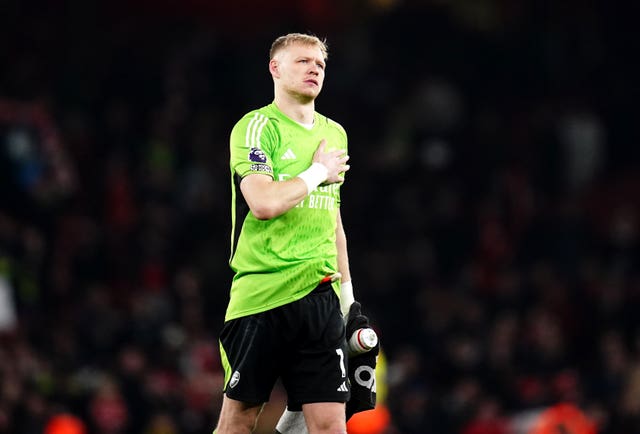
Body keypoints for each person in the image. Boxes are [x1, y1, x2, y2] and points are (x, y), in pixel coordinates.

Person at [214, 33, 355, 434]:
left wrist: (348, 299)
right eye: (303, 61)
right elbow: (263, 202)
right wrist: (316, 173)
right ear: (275, 69)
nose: (314, 69)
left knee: (330, 425)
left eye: (321, 64)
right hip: (263, 294)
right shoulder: (256, 127)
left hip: (319, 294)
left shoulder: (336, 134)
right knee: (239, 420)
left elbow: (334, 220)